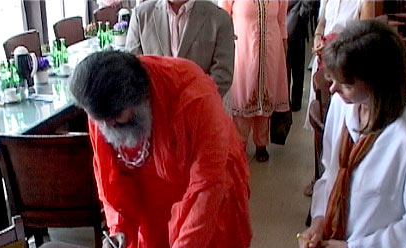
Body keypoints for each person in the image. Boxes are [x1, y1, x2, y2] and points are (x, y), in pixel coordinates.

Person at [69, 51, 252, 248]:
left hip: (207, 196)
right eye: (100, 120)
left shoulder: (194, 95)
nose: (107, 127)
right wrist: (119, 228)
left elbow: (209, 181)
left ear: (138, 99)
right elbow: (109, 174)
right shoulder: (102, 104)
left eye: (114, 119)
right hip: (148, 195)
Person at [297, 20, 406, 248]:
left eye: (346, 83)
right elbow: (331, 172)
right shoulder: (342, 105)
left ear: (377, 82)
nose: (333, 88)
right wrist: (319, 221)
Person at [302, 0, 374, 196]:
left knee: (343, 123)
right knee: (324, 117)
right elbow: (322, 23)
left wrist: (336, 46)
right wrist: (318, 38)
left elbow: (365, 37)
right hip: (326, 61)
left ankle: (344, 176)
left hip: (347, 67)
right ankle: (321, 175)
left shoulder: (364, 2)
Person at [221, 0, 289, 162]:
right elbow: (222, 17)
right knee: (243, 96)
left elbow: (281, 19)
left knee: (266, 94)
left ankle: (261, 143)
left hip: (271, 48)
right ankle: (239, 143)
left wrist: (284, 43)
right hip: (242, 49)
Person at [125, 0, 235, 98]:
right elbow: (130, 70)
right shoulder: (141, 15)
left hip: (200, 112)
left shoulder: (220, 19)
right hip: (154, 113)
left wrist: (188, 103)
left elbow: (222, 75)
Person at [286, 0, 314, 112]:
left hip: (296, 22)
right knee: (287, 66)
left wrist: (302, 14)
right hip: (283, 21)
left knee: (296, 66)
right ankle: (287, 100)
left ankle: (295, 101)